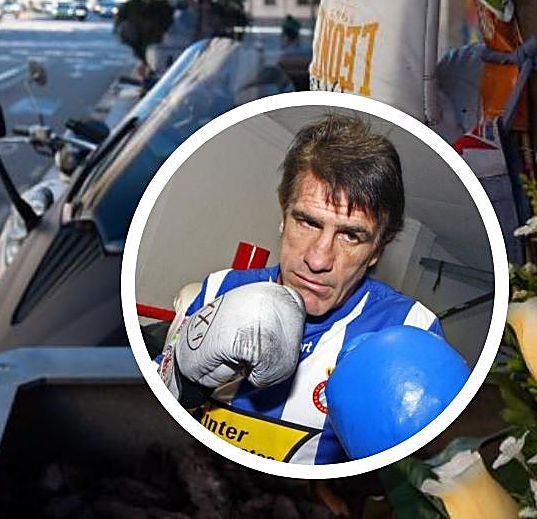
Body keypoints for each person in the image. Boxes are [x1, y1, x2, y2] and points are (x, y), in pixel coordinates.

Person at [157, 114, 453, 464]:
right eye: (308, 222)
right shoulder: (219, 288)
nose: (318, 258)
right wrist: (182, 381)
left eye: (351, 235)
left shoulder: (411, 328)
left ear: (377, 250)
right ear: (283, 216)